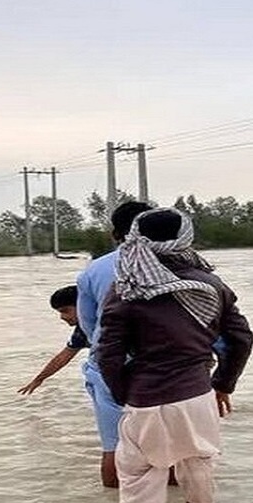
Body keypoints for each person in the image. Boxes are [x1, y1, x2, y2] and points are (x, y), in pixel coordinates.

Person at [97, 208, 253, 503]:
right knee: (199, 469)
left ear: (136, 236)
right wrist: (223, 385)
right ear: (186, 237)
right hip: (198, 396)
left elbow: (107, 353)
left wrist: (124, 393)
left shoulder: (126, 288)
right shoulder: (212, 285)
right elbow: (241, 339)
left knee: (139, 480)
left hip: (145, 399)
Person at [76, 201, 153, 487]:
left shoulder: (93, 271)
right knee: (169, 451)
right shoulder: (180, 265)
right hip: (165, 369)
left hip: (109, 366)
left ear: (114, 233)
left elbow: (88, 325)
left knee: (113, 446)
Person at [18, 286, 89, 395]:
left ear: (82, 305)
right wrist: (39, 379)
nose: (62, 317)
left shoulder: (108, 323)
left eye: (65, 311)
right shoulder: (83, 330)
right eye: (59, 312)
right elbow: (64, 356)